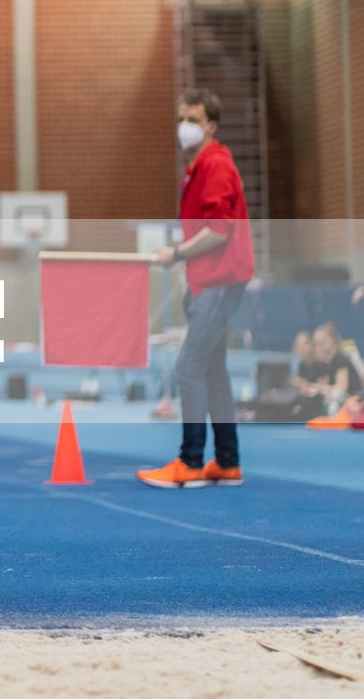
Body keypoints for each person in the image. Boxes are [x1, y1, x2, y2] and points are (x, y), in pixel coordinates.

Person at [139, 89, 255, 489]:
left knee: (188, 365)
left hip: (221, 280)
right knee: (213, 370)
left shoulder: (216, 165)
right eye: (181, 117)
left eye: (192, 118)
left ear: (210, 125)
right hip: (207, 279)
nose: (184, 126)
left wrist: (176, 253)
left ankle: (190, 461)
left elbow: (220, 231)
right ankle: (227, 461)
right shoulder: (196, 168)